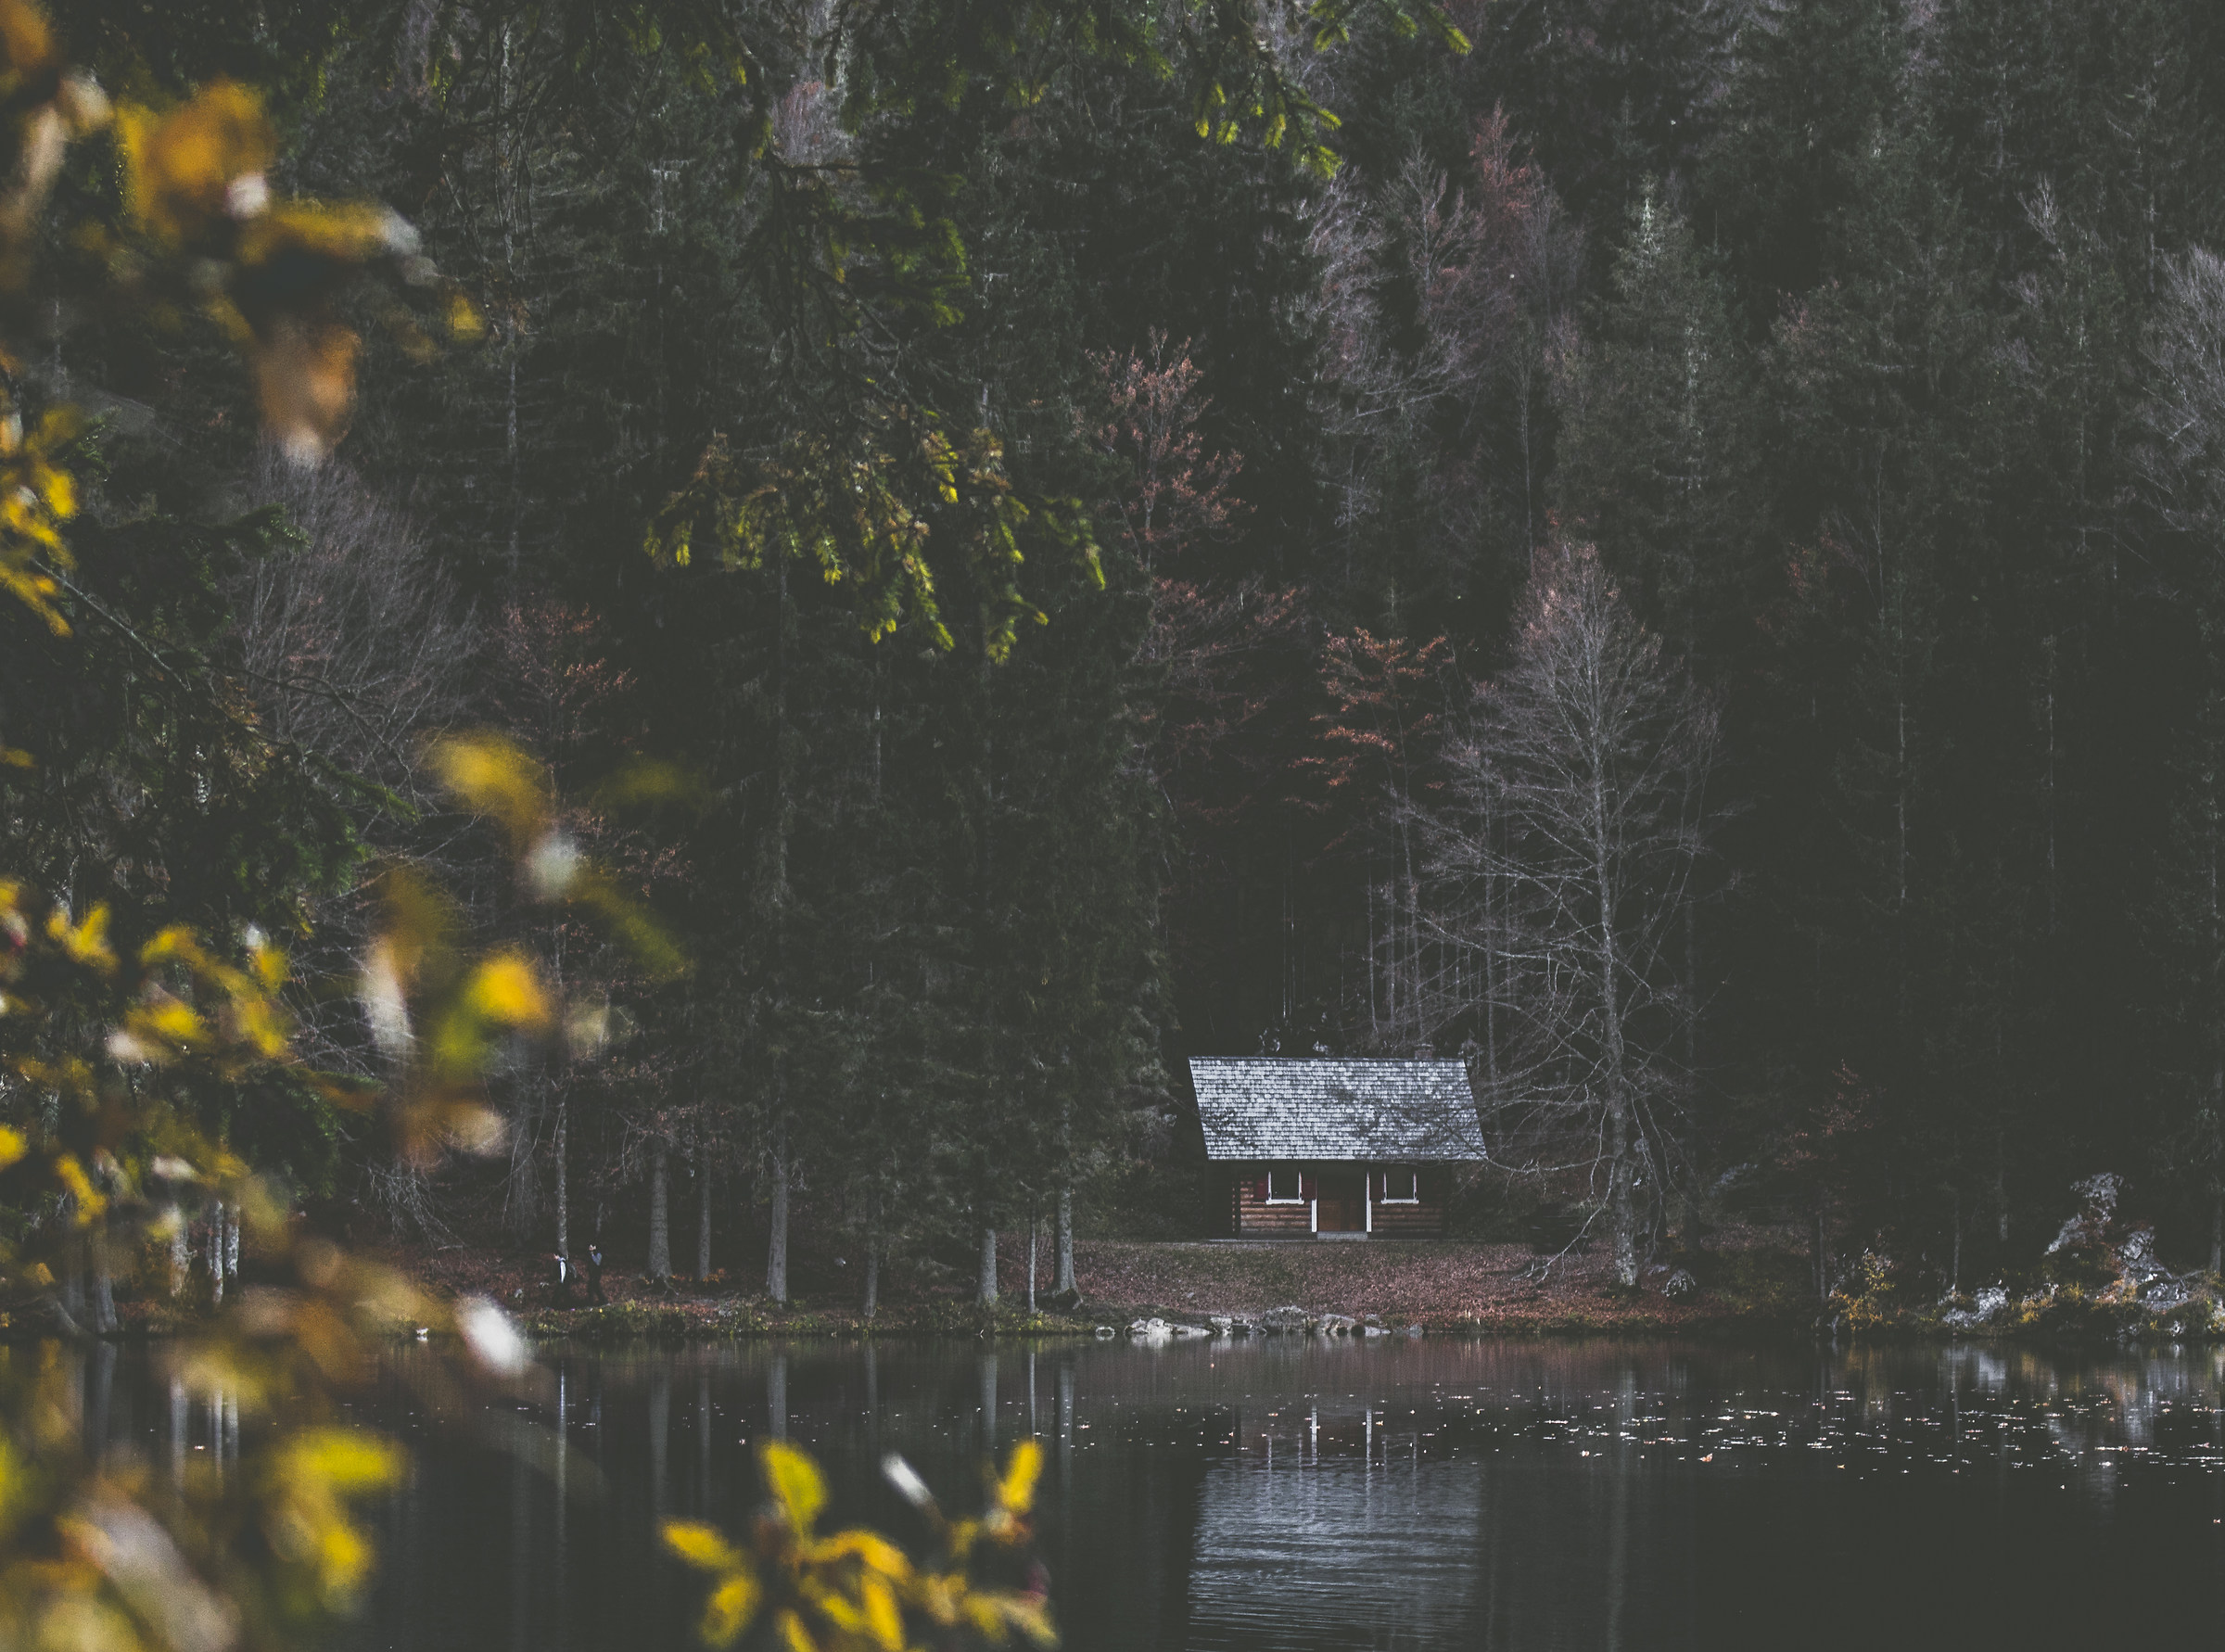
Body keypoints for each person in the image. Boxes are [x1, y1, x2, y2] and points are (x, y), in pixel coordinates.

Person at [585, 1240, 607, 1305]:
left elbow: (597, 1262)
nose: (590, 1248)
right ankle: (594, 1302)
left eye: (591, 1247)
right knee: (592, 1288)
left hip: (597, 1273)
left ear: (595, 1247)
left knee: (594, 1288)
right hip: (592, 1274)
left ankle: (603, 1301)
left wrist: (592, 1254)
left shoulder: (598, 1253)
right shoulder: (590, 1253)